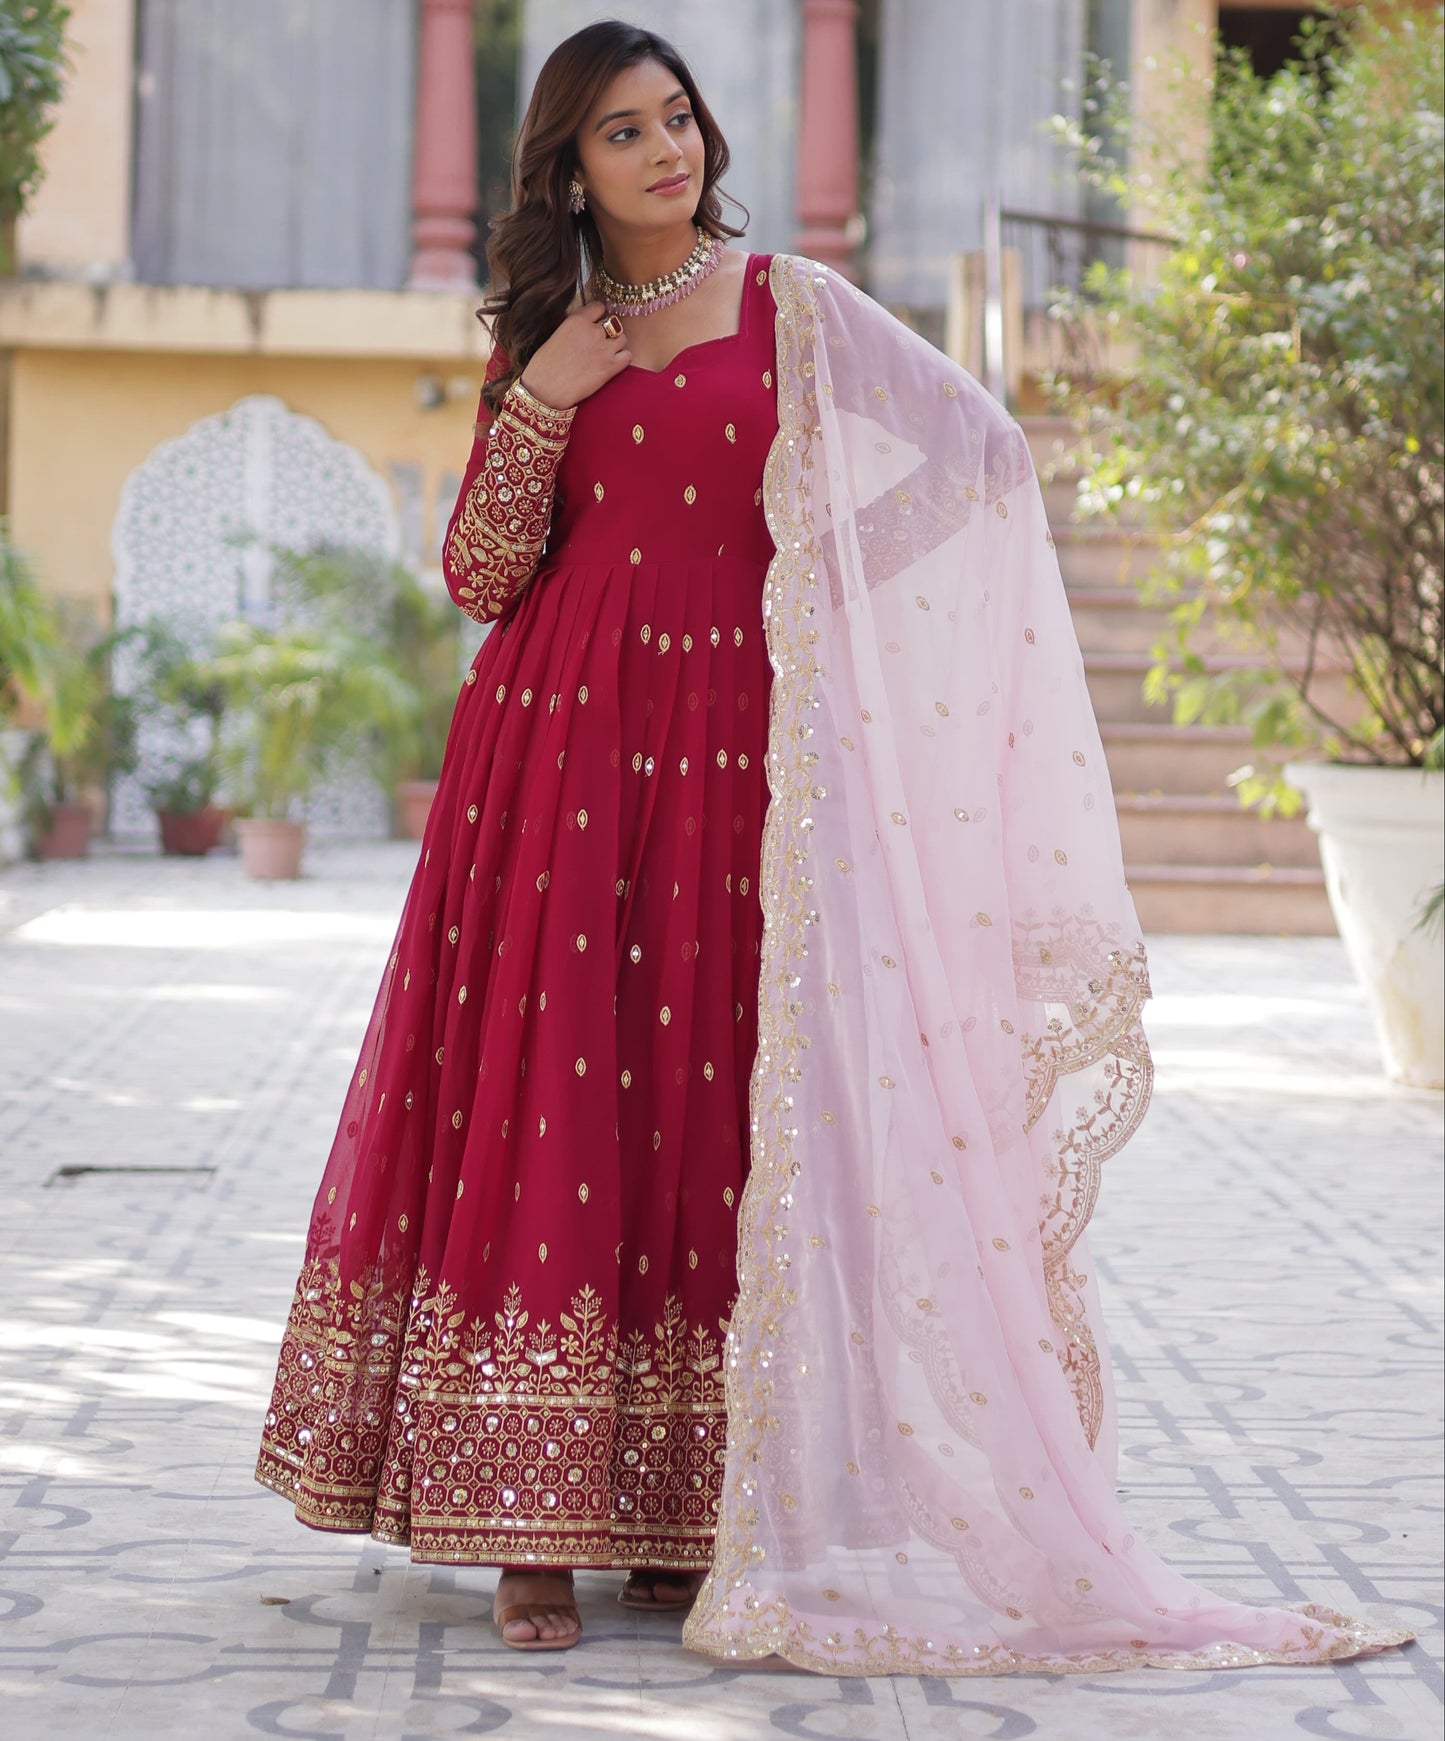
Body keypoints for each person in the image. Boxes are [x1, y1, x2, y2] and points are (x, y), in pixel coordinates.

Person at [255, 21, 1410, 1673]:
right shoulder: (546, 334)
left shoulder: (792, 306)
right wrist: (543, 400)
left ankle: (681, 1514)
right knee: (552, 1088)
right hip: (555, 751)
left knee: (713, 1097)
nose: (664, 150)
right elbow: (480, 574)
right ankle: (521, 1523)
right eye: (620, 133)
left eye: (675, 117)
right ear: (567, 171)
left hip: (738, 750)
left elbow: (977, 453)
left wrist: (819, 580)